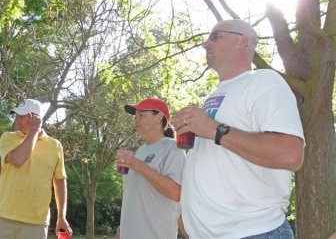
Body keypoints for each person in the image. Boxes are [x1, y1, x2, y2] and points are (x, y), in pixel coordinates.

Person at [174, 20, 305, 239]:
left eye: (215, 36)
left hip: (254, 233)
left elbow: (291, 154)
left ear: (242, 42)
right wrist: (188, 219)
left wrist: (214, 129)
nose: (205, 44)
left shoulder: (265, 81)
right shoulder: (215, 95)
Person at [0, 99, 72, 239]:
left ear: (36, 118)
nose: (17, 120)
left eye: (22, 116)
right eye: (16, 116)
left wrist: (62, 217)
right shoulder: (7, 138)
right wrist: (34, 130)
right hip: (2, 218)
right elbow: (18, 160)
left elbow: (60, 181)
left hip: (36, 223)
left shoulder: (55, 146)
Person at [116, 97, 187, 239]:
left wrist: (136, 164)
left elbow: (176, 193)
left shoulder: (173, 148)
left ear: (160, 117)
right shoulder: (141, 150)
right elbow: (137, 197)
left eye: (141, 115)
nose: (136, 119)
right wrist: (122, 229)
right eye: (136, 115)